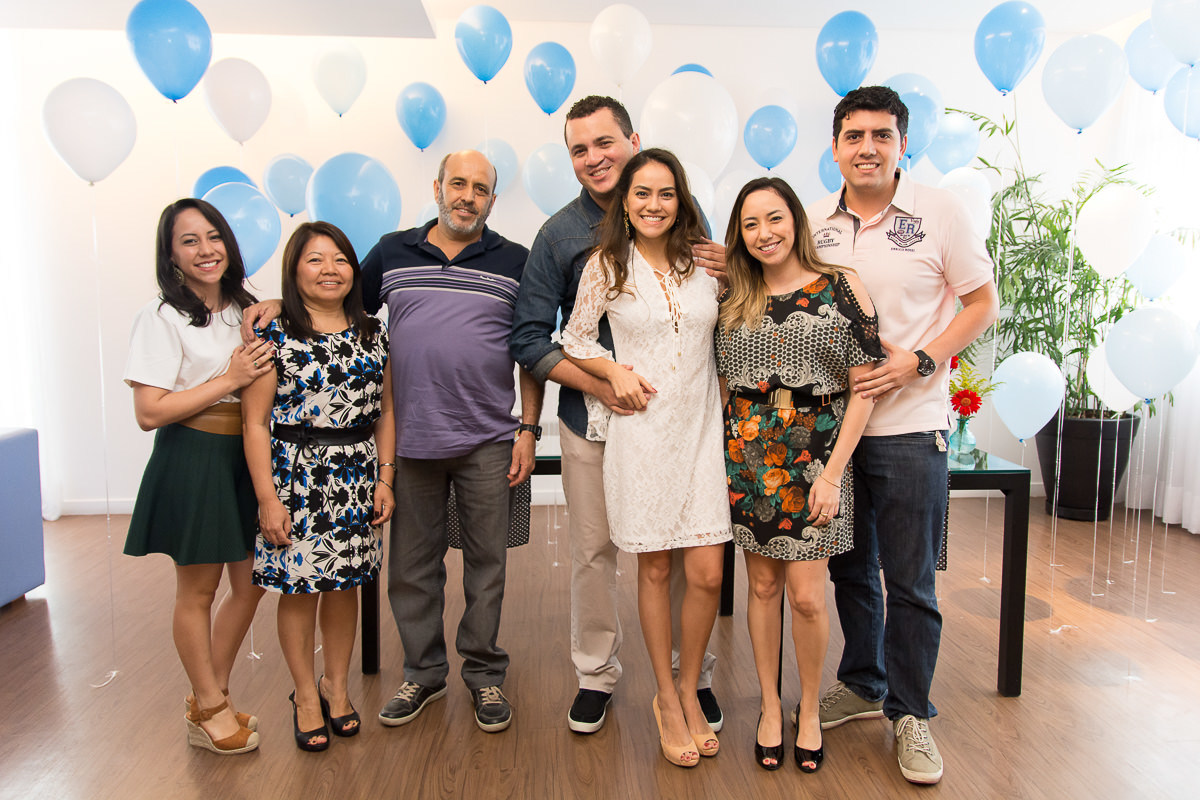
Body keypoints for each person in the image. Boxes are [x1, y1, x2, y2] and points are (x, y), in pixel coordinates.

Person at [510, 96, 727, 736]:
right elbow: (531, 338)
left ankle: (695, 676)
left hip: (682, 423)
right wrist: (604, 382)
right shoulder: (560, 235)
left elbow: (711, 313)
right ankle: (596, 674)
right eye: (579, 150)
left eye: (605, 143)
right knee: (595, 552)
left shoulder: (684, 221)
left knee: (689, 549)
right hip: (591, 420)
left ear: (634, 139)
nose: (594, 159)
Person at [809, 85, 999, 785]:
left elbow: (983, 302)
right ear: (835, 146)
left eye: (881, 136)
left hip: (912, 428)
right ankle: (863, 682)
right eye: (854, 135)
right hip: (834, 432)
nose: (867, 148)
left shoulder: (938, 211)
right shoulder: (812, 222)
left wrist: (921, 359)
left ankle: (912, 713)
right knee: (849, 570)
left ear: (902, 145)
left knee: (911, 581)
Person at [561, 147, 731, 768]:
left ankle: (690, 687)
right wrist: (611, 371)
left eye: (665, 194)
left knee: (708, 573)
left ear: (680, 200)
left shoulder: (706, 264)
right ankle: (665, 695)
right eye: (641, 195)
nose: (654, 205)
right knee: (655, 570)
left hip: (703, 433)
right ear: (625, 205)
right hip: (643, 433)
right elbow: (574, 336)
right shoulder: (607, 265)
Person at [365, 150, 541, 734]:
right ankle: (423, 671)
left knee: (486, 565)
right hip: (411, 441)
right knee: (412, 566)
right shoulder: (392, 253)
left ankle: (485, 675)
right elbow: (337, 311)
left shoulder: (515, 261)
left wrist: (528, 430)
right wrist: (272, 304)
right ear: (437, 187)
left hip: (489, 440)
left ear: (494, 199)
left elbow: (534, 353)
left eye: (481, 188)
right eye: (458, 184)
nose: (468, 196)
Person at [715, 177, 883, 773]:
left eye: (775, 219)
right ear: (739, 232)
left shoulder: (842, 285)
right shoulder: (733, 295)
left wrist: (834, 474)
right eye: (751, 224)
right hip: (751, 464)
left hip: (819, 463)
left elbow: (865, 387)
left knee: (808, 597)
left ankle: (809, 708)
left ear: (796, 222)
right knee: (761, 589)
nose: (765, 234)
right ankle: (767, 705)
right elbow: (719, 385)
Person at [123, 198, 274, 755]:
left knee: (253, 583)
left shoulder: (247, 307)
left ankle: (212, 695)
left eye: (213, 237)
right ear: (171, 254)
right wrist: (228, 376)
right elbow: (149, 412)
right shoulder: (161, 316)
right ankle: (208, 705)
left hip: (248, 455)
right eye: (190, 241)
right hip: (194, 455)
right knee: (199, 589)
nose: (206, 250)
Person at [241, 221, 394, 752]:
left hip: (356, 473)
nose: (330, 269)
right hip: (297, 476)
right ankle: (305, 694)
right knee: (301, 588)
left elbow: (386, 411)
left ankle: (337, 685)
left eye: (339, 259)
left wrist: (385, 477)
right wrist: (266, 496)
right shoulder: (273, 333)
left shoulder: (375, 331)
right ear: (294, 269)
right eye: (315, 259)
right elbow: (254, 422)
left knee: (345, 586)